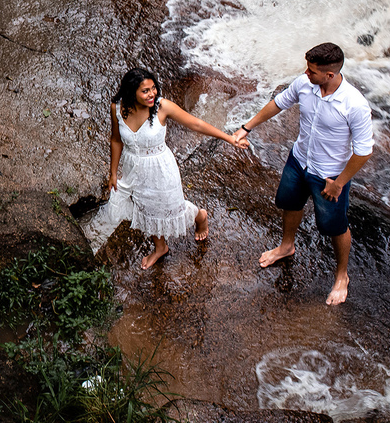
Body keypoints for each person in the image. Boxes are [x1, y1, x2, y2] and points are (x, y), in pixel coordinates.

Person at [231, 42, 373, 306]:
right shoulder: (305, 84)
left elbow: (364, 151)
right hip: (299, 161)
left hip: (329, 176)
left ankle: (342, 275)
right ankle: (287, 246)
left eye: (312, 71)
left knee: (335, 226)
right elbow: (278, 104)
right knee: (290, 203)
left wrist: (339, 183)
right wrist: (246, 127)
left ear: (330, 75)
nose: (306, 74)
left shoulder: (355, 105)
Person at [85, 67, 248, 269]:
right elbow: (116, 140)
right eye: (145, 91)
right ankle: (160, 247)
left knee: (169, 207)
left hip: (160, 167)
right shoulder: (117, 108)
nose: (152, 94)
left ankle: (200, 216)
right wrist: (113, 172)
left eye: (153, 88)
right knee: (144, 206)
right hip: (132, 166)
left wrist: (229, 138)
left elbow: (196, 124)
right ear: (131, 92)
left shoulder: (162, 107)